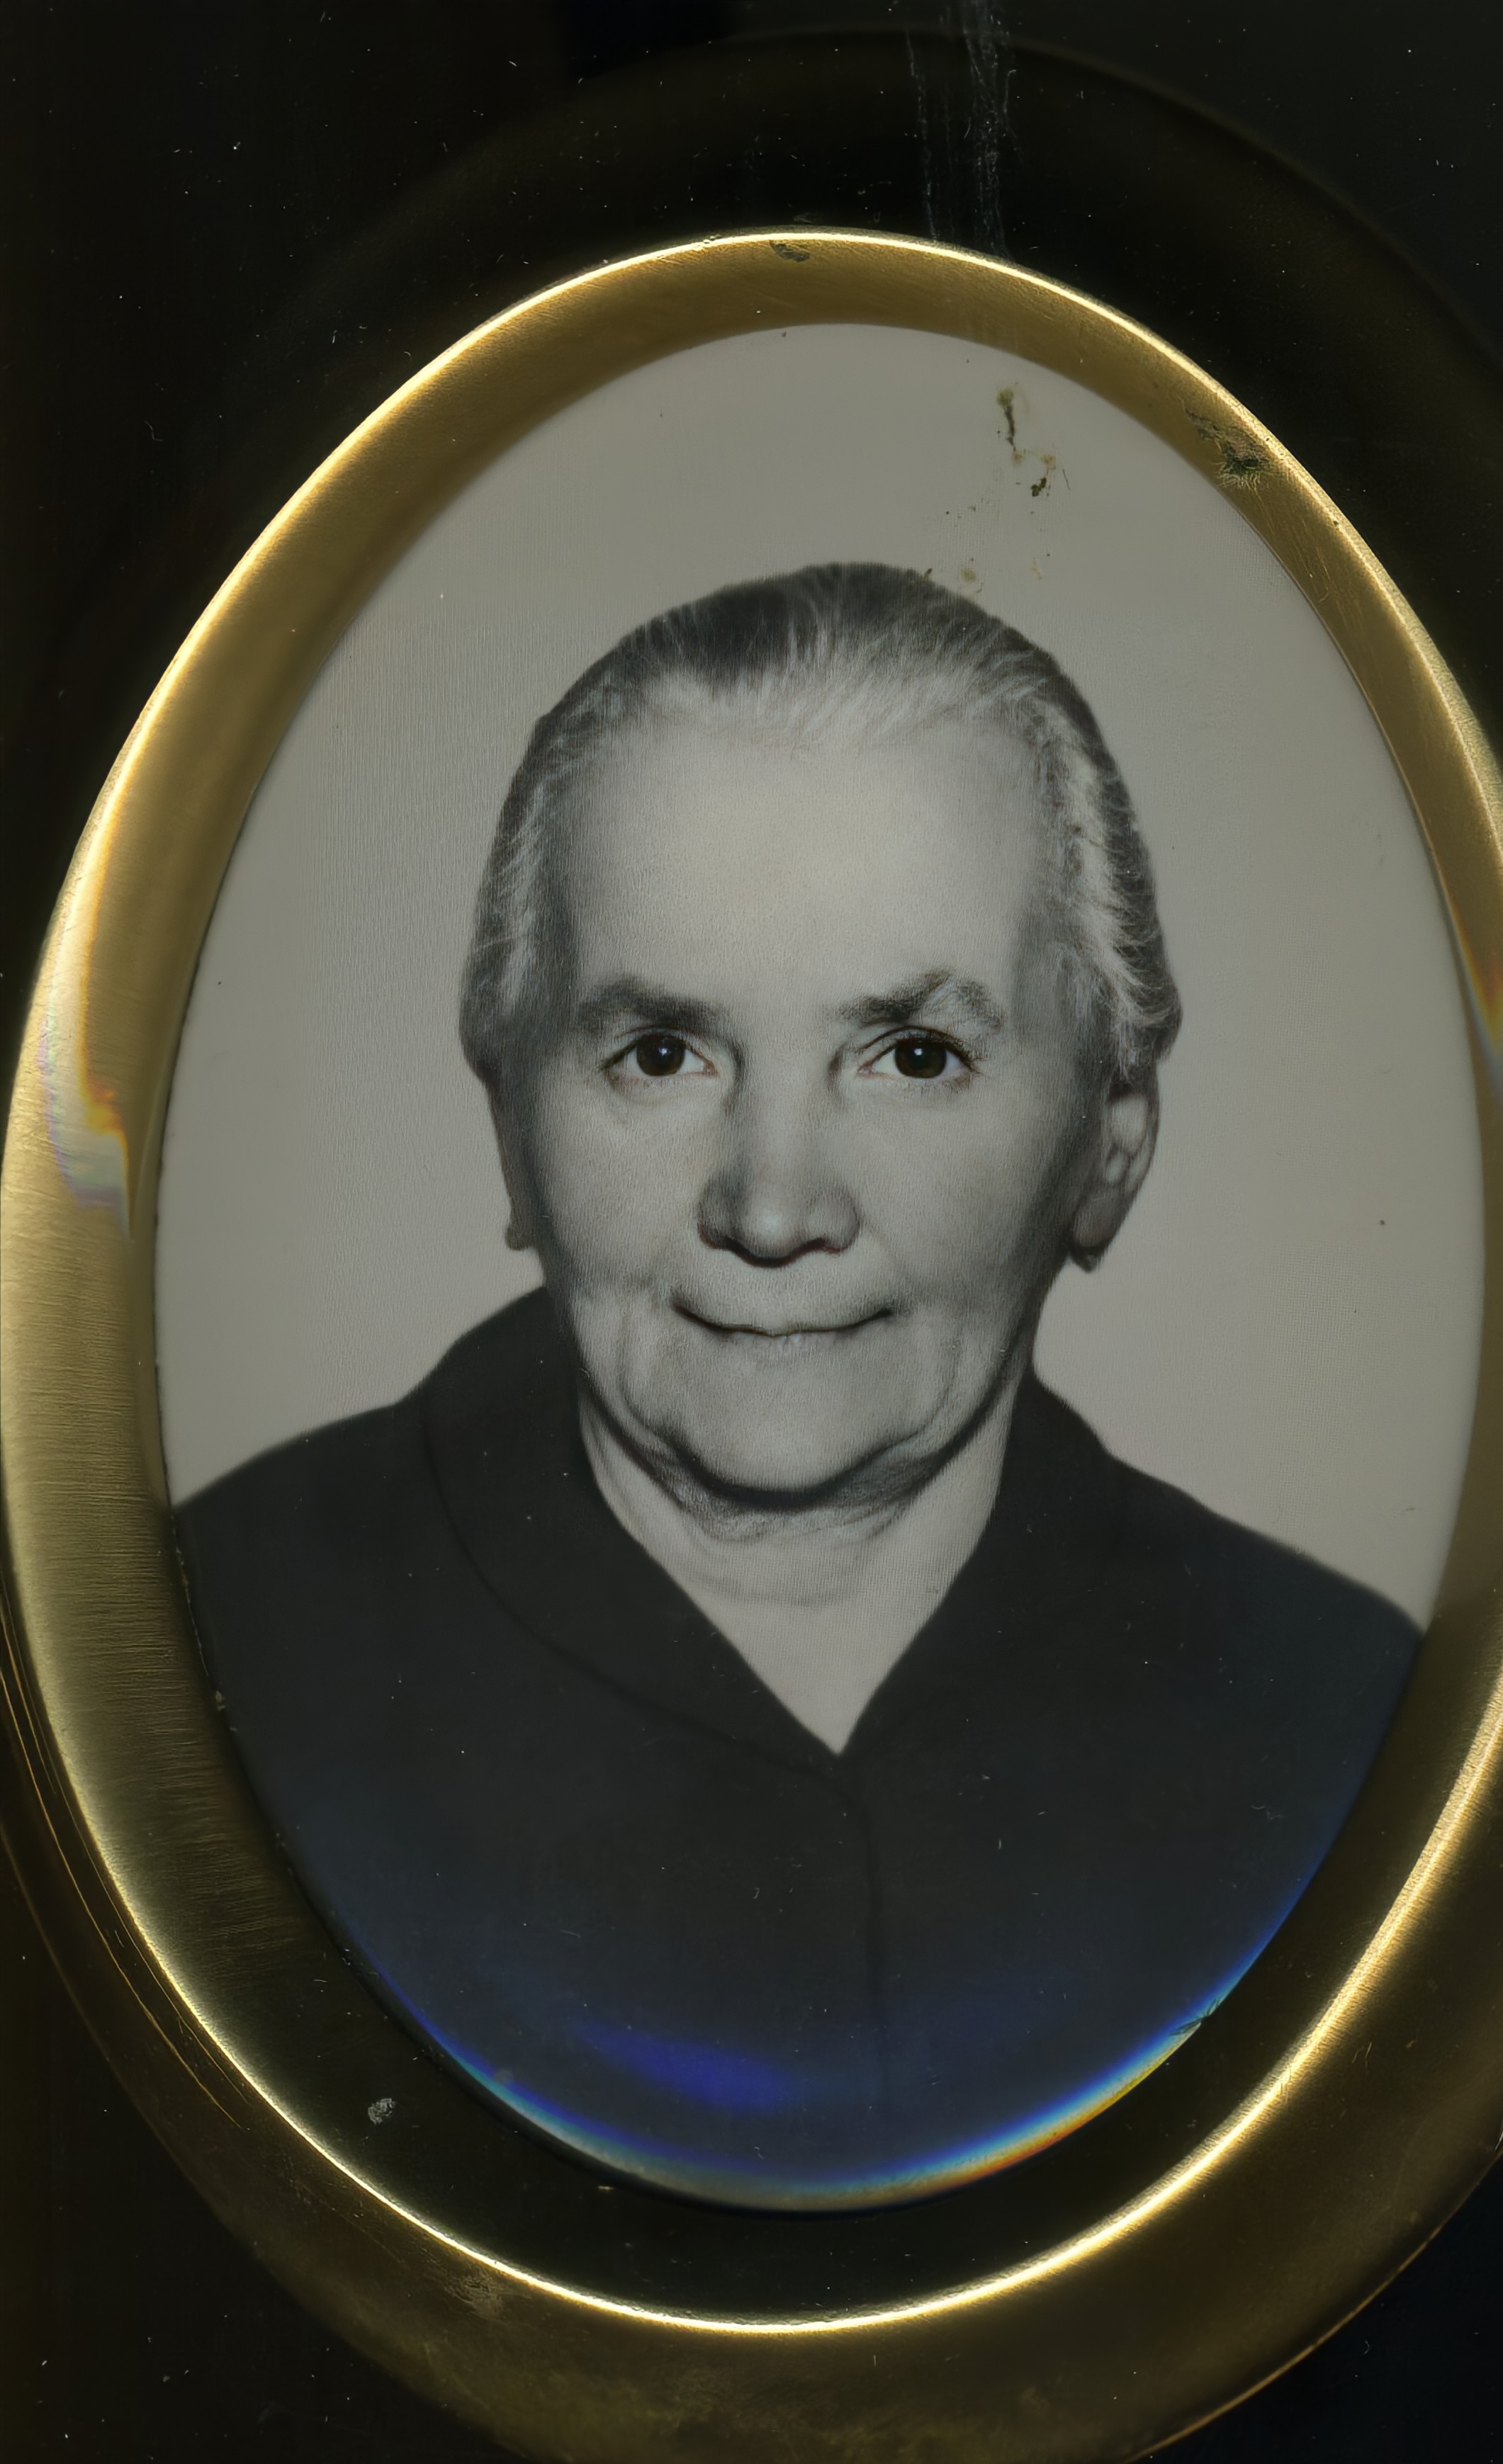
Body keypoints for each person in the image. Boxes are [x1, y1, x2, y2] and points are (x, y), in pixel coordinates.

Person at [178, 563, 1418, 2210]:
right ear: (509, 1129)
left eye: (911, 1056)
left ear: (1108, 1146)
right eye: (660, 1053)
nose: (772, 1205)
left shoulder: (1348, 1730)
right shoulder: (197, 1666)